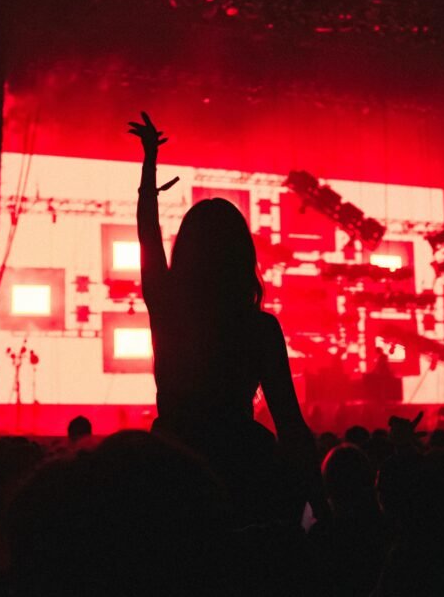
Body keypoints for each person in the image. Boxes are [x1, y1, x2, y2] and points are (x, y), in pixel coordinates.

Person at [129, 112, 322, 524]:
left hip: (170, 468)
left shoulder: (168, 309)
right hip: (244, 469)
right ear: (242, 256)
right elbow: (290, 423)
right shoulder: (260, 328)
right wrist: (323, 508)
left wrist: (150, 169)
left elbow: (147, 236)